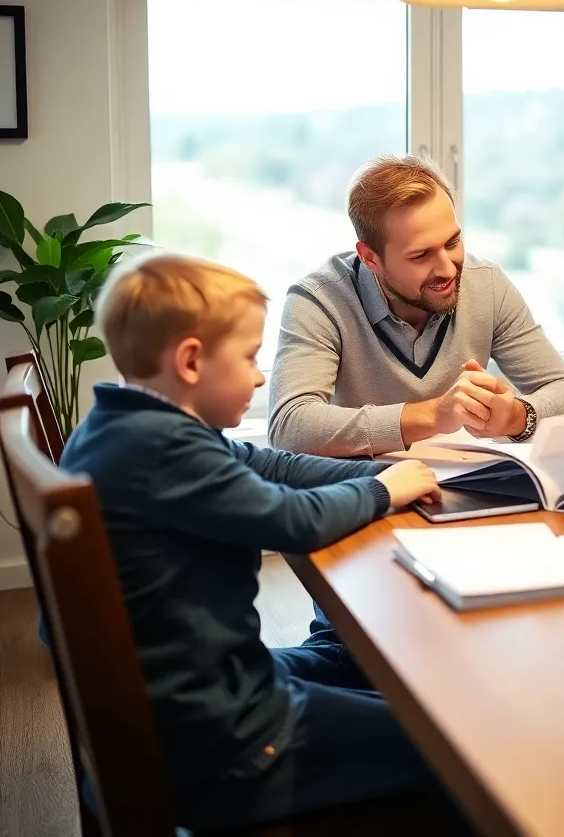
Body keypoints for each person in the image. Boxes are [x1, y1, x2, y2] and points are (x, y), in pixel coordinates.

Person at [59, 253, 459, 831]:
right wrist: (383, 496)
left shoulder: (127, 427)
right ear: (191, 361)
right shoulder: (167, 453)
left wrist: (380, 473)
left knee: (344, 658)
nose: (259, 376)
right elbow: (290, 519)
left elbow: (271, 465)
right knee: (450, 745)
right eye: (248, 357)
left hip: (189, 696)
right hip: (228, 748)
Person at [269, 155, 564, 458]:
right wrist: (434, 415)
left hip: (468, 488)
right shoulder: (319, 300)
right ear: (370, 258)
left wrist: (516, 416)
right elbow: (290, 426)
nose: (448, 269)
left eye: (452, 243)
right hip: (368, 497)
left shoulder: (486, 284)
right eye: (420, 256)